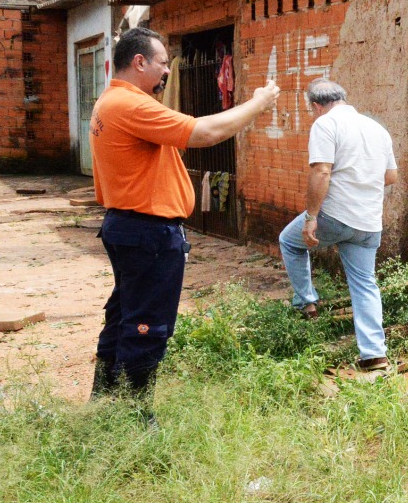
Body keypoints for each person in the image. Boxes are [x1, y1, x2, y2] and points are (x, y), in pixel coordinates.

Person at [90, 26, 281, 407]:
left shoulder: (112, 101)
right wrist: (258, 103)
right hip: (147, 230)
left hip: (130, 225)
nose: (166, 72)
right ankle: (134, 416)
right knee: (148, 325)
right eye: (163, 63)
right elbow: (206, 132)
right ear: (139, 61)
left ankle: (105, 401)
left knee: (125, 315)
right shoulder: (131, 105)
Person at [278, 79, 398, 372]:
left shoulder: (325, 124)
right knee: (364, 284)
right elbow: (391, 176)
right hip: (369, 222)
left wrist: (311, 217)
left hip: (336, 215)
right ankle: (374, 355)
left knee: (289, 241)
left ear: (316, 106)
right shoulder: (377, 129)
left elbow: (321, 171)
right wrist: (360, 183)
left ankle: (306, 304)